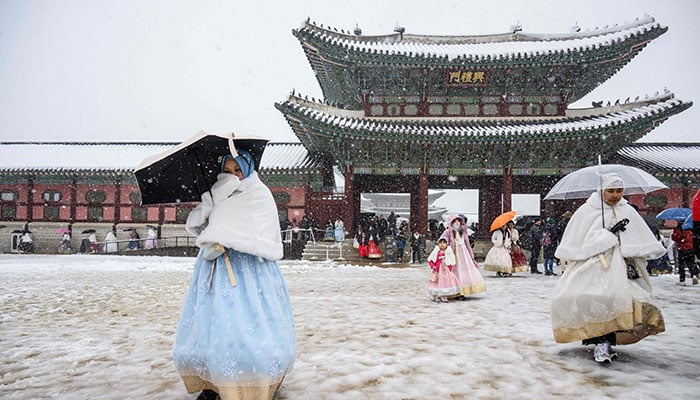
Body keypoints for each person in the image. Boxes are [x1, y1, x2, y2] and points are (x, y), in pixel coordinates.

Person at [173, 149, 296, 400]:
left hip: (250, 273)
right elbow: (198, 227)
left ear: (248, 169)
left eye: (237, 170)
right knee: (211, 324)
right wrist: (210, 204)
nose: (232, 176)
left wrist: (224, 237)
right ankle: (212, 382)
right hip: (215, 271)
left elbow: (259, 232)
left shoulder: (257, 194)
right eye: (227, 171)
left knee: (247, 325)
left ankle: (252, 381)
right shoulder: (218, 195)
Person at [550, 173, 666, 364]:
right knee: (594, 299)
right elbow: (579, 243)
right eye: (610, 191)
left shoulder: (628, 211)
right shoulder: (587, 211)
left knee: (625, 301)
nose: (615, 195)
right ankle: (600, 341)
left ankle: (609, 339)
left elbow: (639, 239)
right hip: (594, 265)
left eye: (619, 191)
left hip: (623, 265)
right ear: (601, 191)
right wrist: (604, 237)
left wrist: (623, 241)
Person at [440, 215, 486, 297]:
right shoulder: (448, 232)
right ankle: (456, 291)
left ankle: (463, 291)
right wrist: (447, 247)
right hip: (453, 254)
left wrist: (471, 255)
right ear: (451, 223)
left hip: (464, 254)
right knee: (455, 272)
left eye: (459, 221)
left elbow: (467, 244)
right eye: (455, 221)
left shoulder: (463, 232)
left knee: (464, 272)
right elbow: (442, 240)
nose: (457, 223)